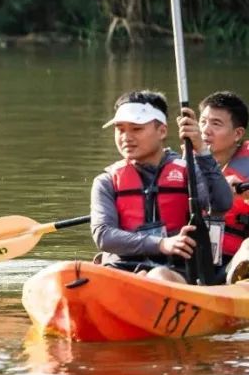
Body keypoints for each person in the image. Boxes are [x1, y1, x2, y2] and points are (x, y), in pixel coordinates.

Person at [90, 91, 232, 284]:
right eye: (120, 129)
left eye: (136, 129)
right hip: (121, 269)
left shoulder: (188, 171)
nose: (126, 137)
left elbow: (221, 204)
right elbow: (104, 236)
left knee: (157, 277)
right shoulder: (106, 181)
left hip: (174, 270)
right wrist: (161, 244)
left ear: (162, 131)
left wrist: (202, 150)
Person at [198, 91, 249, 283]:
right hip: (196, 261)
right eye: (203, 122)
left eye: (215, 124)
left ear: (238, 134)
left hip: (237, 259)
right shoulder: (182, 166)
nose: (205, 130)